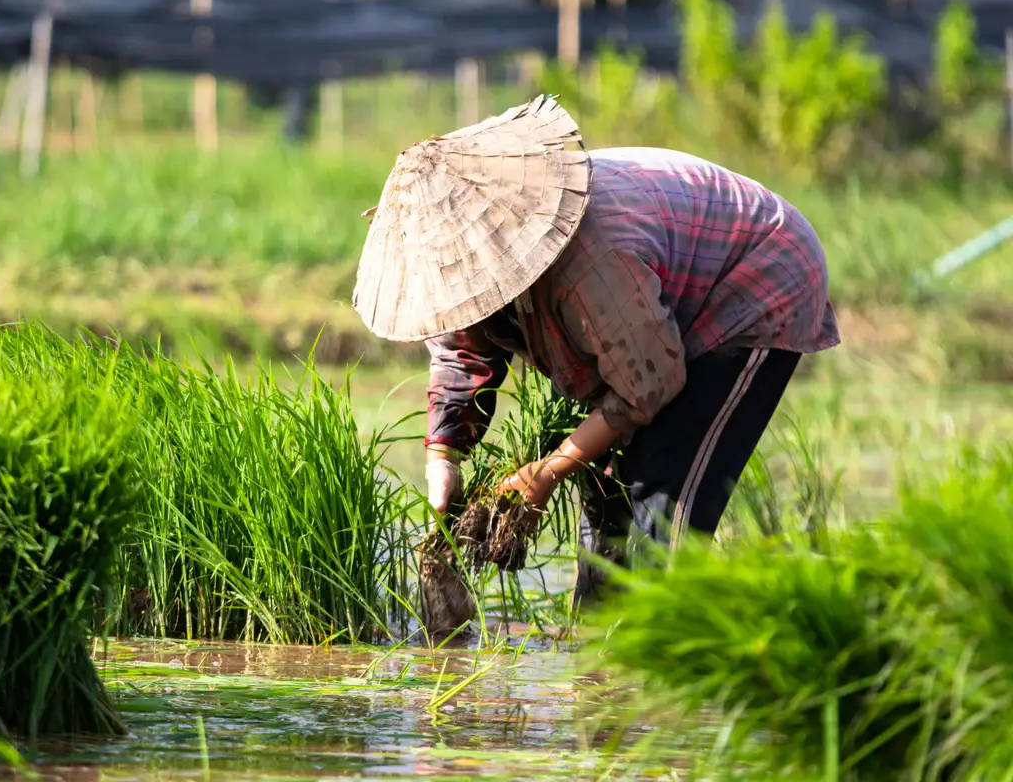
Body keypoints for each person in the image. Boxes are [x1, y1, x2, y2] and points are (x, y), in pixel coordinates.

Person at [351, 95, 840, 632]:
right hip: (648, 305)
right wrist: (443, 460)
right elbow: (461, 349)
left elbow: (648, 385)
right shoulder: (464, 262)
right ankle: (597, 653)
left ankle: (665, 659)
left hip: (751, 282)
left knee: (665, 492)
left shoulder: (592, 258)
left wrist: (547, 471)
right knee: (605, 485)